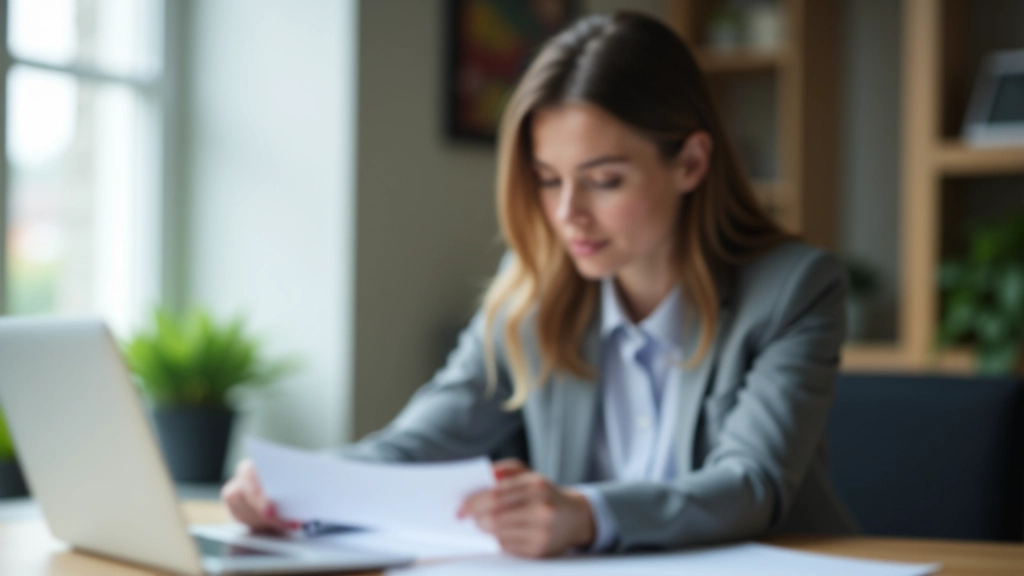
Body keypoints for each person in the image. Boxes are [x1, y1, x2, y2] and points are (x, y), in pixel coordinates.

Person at [221, 11, 856, 558]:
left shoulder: (795, 290)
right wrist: (299, 485)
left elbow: (750, 483)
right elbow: (422, 441)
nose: (566, 214)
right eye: (549, 179)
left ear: (690, 163)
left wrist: (586, 514)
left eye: (603, 180)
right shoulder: (531, 291)